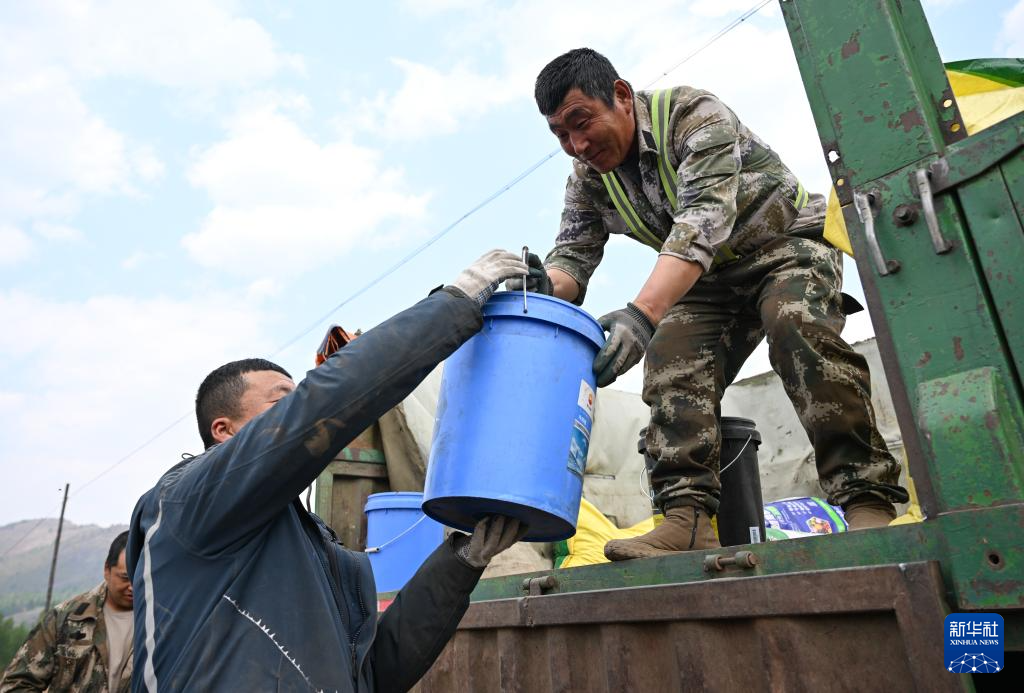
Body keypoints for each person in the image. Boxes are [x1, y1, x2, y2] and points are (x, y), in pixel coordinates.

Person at [513, 48, 908, 560]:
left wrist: (641, 315)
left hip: (785, 244)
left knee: (795, 326)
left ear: (621, 96)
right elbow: (572, 257)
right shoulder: (589, 178)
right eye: (561, 135)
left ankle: (866, 498)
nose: (577, 144)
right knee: (670, 360)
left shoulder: (693, 115)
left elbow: (701, 223)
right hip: (709, 278)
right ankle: (687, 519)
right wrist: (536, 287)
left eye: (581, 122)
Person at [125, 250, 529, 693]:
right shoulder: (186, 501)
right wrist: (451, 306)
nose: (299, 406)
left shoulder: (321, 552)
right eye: (282, 400)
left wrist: (461, 562)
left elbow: (373, 676)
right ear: (224, 430)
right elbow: (320, 403)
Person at [2, 532, 134, 692]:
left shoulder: (158, 624)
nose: (132, 586)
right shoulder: (66, 619)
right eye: (125, 578)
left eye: (139, 577)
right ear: (107, 570)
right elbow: (15, 685)